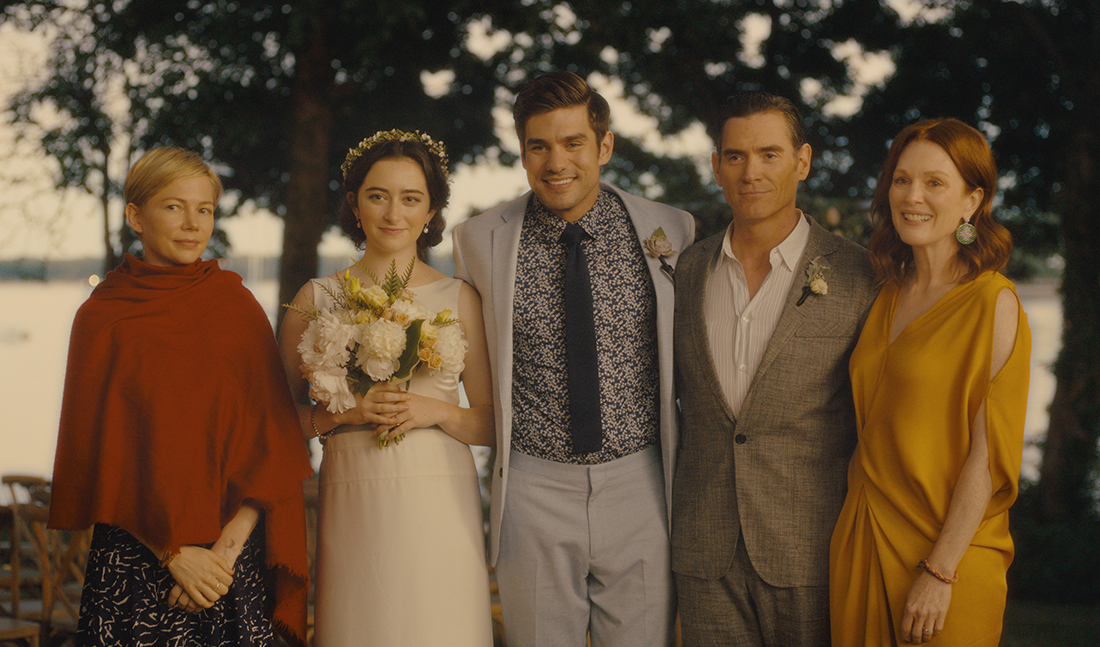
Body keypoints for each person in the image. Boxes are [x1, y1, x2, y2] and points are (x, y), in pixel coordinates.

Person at [452, 70, 694, 646]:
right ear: (522, 152)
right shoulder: (478, 240)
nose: (555, 162)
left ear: (604, 146)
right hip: (533, 488)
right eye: (538, 146)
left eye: (572, 143)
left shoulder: (671, 229)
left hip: (642, 483)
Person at [49, 147, 312, 647]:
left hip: (228, 566)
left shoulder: (237, 308)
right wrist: (175, 556)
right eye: (174, 207)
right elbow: (96, 459)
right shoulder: (103, 318)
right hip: (134, 561)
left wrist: (221, 559)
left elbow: (272, 446)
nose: (193, 224)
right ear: (135, 216)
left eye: (204, 209)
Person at [670, 91, 878, 646]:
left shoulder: (859, 275)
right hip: (704, 550)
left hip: (811, 546)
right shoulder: (685, 271)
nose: (751, 172)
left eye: (769, 154)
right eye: (735, 156)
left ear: (802, 161)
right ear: (716, 166)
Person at [279, 129, 495, 646]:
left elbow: (491, 423)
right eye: (378, 196)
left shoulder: (460, 297)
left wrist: (435, 411)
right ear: (355, 204)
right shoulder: (316, 298)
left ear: (432, 209)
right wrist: (345, 414)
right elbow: (275, 424)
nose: (394, 213)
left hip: (442, 503)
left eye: (411, 198)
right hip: (354, 500)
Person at [829, 118, 1031, 646]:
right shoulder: (885, 294)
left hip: (949, 560)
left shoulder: (993, 302)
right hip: (866, 536)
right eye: (901, 180)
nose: (911, 196)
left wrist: (940, 572)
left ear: (972, 201)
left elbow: (987, 458)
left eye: (934, 182)